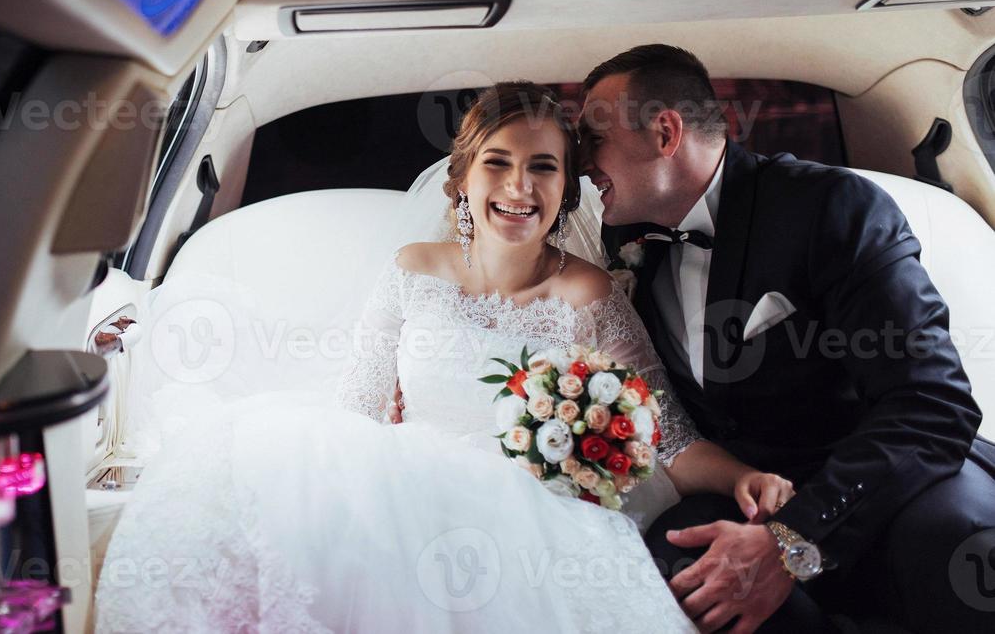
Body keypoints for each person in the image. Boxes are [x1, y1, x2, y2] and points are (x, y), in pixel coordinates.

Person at [93, 82, 793, 633]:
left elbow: (667, 435)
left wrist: (746, 476)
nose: (520, 188)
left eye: (543, 168)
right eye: (499, 163)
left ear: (567, 188)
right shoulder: (413, 269)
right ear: (463, 180)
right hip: (408, 501)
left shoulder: (589, 293)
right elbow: (355, 411)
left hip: (542, 524)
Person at [579, 44, 995, 632]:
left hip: (889, 479)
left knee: (961, 547)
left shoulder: (829, 206)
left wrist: (794, 536)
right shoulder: (624, 245)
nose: (583, 163)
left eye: (593, 140)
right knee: (680, 556)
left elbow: (932, 402)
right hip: (746, 490)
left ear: (665, 132)